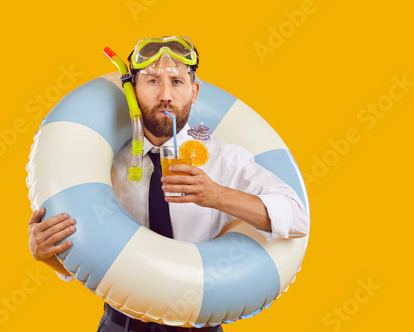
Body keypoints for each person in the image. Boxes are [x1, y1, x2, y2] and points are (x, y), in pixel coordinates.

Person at [28, 36, 310, 332]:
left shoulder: (224, 159)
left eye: (176, 82)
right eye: (152, 81)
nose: (165, 95)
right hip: (121, 325)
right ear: (133, 90)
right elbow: (96, 260)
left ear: (194, 91)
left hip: (198, 322)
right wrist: (48, 256)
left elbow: (297, 217)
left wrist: (217, 196)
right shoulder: (103, 165)